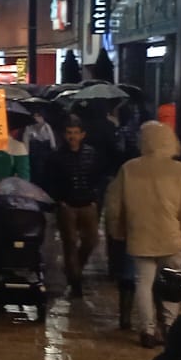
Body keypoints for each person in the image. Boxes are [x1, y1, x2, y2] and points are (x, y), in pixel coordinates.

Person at [105, 119, 181, 347]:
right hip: (171, 236)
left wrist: (117, 231)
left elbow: (114, 207)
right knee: (172, 282)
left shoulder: (129, 169)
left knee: (143, 283)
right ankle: (168, 325)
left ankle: (147, 329)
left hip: (140, 235)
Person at [44, 121, 107, 297]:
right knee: (70, 243)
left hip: (88, 203)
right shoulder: (56, 157)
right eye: (69, 132)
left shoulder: (91, 154)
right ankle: (75, 281)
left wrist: (96, 199)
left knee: (91, 240)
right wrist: (59, 201)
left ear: (82, 134)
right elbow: (50, 180)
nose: (72, 136)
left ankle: (74, 269)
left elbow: (99, 177)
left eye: (76, 132)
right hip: (68, 205)